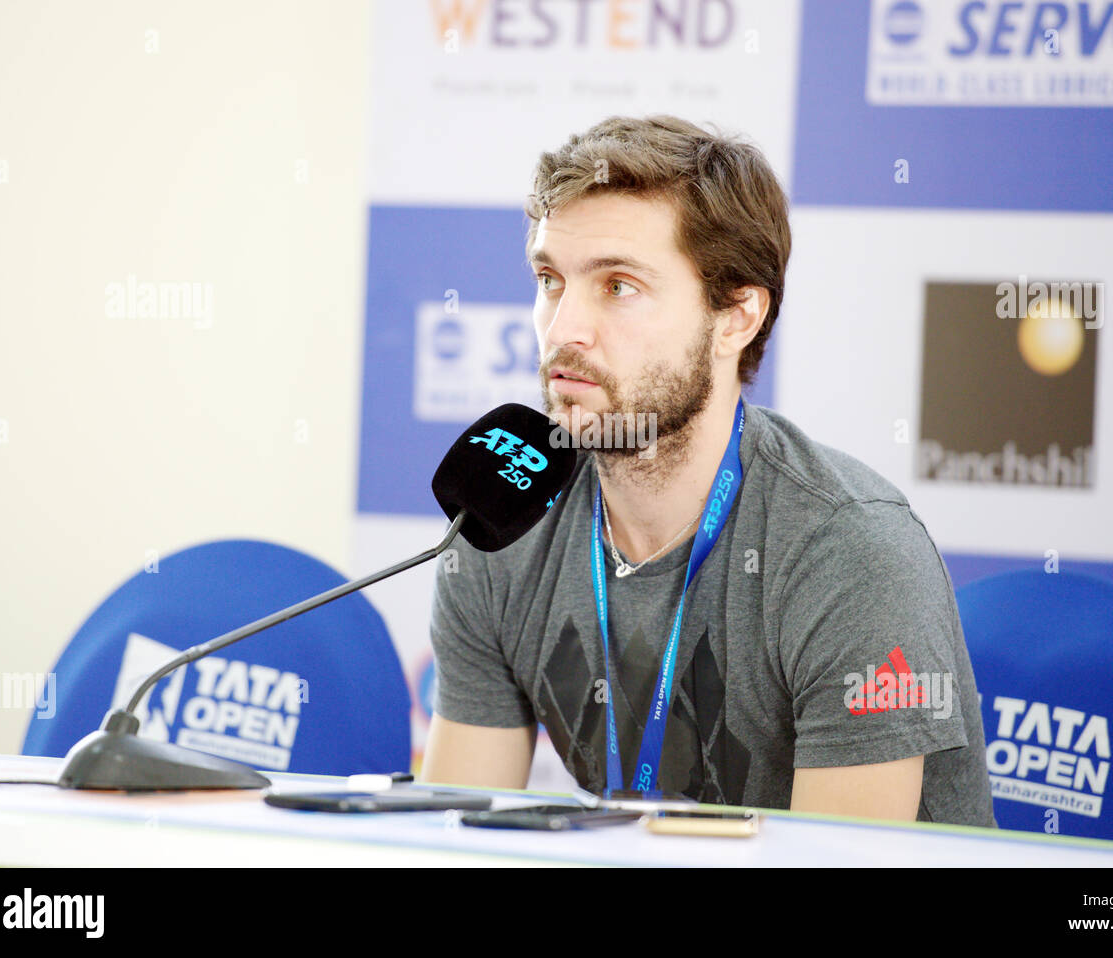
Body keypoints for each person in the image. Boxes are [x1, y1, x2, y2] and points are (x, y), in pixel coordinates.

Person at [421, 115, 995, 825]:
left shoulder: (850, 554)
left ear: (736, 317)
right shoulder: (503, 519)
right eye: (550, 279)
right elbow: (454, 848)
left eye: (619, 286)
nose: (563, 328)